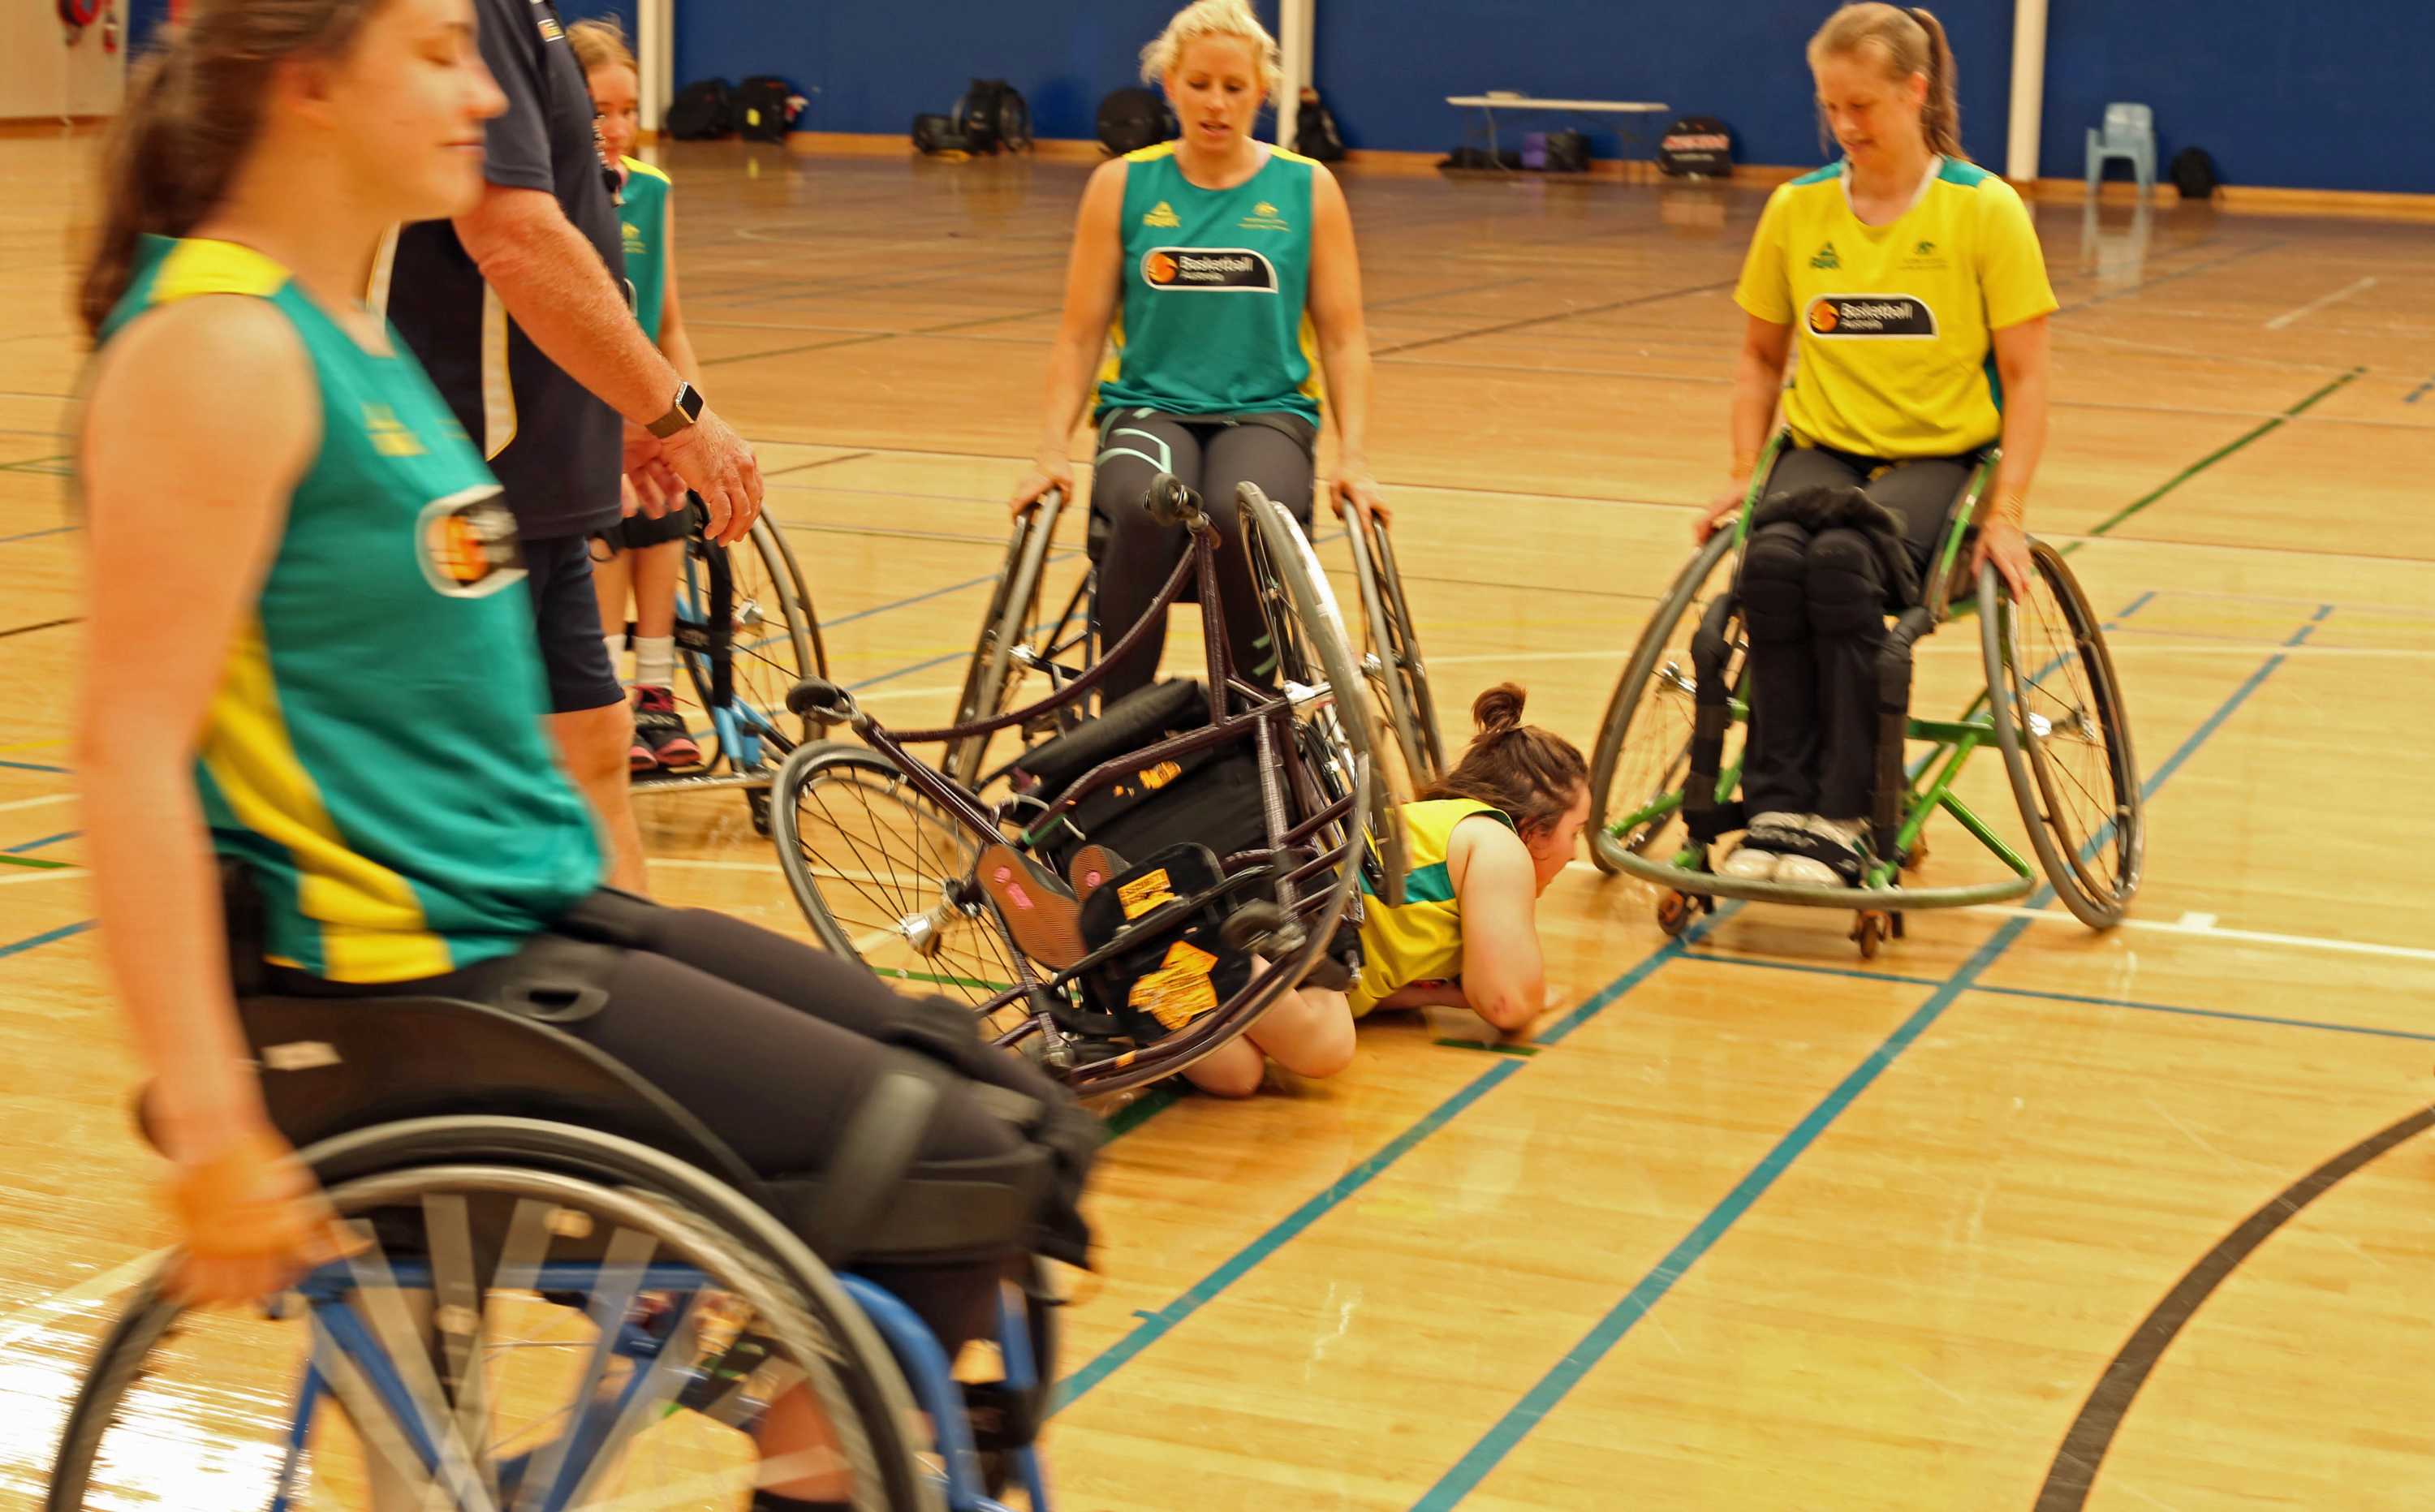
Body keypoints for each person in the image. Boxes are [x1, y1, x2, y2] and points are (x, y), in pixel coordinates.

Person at [72, 2, 1091, 1505]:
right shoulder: (213, 352)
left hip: (530, 912)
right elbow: (127, 753)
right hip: (408, 975)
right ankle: (839, 1454)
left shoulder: (344, 328)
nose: (485, 88)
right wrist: (215, 1124)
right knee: (936, 1157)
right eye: (433, 53)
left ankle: (843, 1443)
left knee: (1000, 1105)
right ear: (303, 86)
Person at [381, 0, 765, 890]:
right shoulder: (479, 12)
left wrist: (618, 410)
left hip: (545, 475)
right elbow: (514, 237)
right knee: (474, 796)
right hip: (472, 484)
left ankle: (621, 1004)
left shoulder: (528, 13)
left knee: (593, 751)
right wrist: (679, 415)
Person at [1697, 2, 2054, 887]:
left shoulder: (1984, 210)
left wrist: (2006, 513)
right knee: (1773, 562)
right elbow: (1757, 358)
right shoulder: (1797, 208)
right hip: (1825, 449)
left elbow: (2033, 379)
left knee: (1844, 568)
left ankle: (1847, 812)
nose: (1845, 126)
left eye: (1863, 106)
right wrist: (1745, 478)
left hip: (1939, 460)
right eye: (1831, 108)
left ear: (1915, 91)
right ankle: (1777, 807)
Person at [1008, 0, 1386, 706]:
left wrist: (1354, 458)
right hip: (1149, 408)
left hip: (1267, 413)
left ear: (1261, 93)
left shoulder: (1309, 190)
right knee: (1156, 505)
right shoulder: (1120, 186)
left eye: (1235, 87)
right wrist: (1050, 451)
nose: (1216, 103)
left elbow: (1343, 336)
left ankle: (1251, 716)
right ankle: (1117, 722)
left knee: (1241, 513)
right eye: (1201, 84)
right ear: (1170, 85)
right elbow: (1080, 333)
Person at [568, 16, 703, 773]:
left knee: (668, 492)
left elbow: (672, 323)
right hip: (580, 411)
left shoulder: (651, 190)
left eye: (626, 111)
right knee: (611, 498)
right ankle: (611, 693)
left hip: (646, 403)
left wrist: (697, 419)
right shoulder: (555, 200)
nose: (617, 128)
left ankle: (659, 694)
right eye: (599, 113)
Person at [1341, 685, 1588, 1036]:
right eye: (1575, 831)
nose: (1575, 853)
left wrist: (1444, 993)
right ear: (1533, 830)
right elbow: (1508, 1004)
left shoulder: (1442, 832)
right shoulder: (1497, 843)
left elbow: (1362, 989)